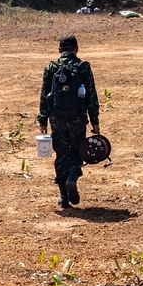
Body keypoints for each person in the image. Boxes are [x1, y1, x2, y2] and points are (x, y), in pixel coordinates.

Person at [38, 34, 100, 209]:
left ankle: (63, 196)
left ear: (60, 51)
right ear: (76, 49)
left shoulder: (51, 67)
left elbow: (44, 95)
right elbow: (91, 95)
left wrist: (42, 119)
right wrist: (94, 120)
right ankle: (72, 178)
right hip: (78, 118)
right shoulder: (83, 67)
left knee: (61, 154)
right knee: (77, 151)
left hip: (56, 118)